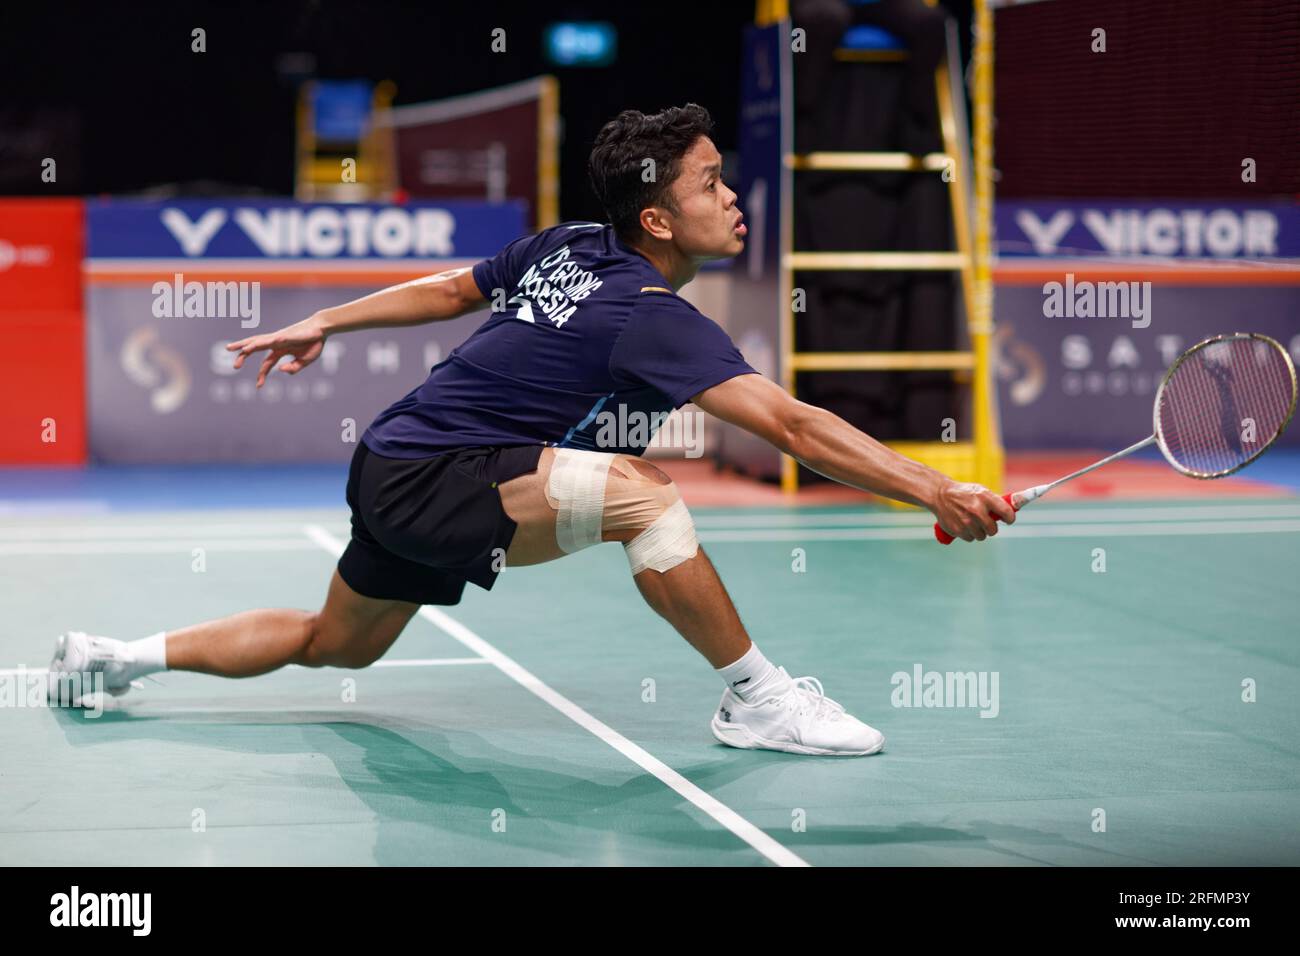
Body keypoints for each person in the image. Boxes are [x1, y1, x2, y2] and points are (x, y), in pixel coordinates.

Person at [49, 104, 1012, 757]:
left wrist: (328, 320)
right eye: (710, 182)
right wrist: (935, 488)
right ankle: (758, 699)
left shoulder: (567, 244)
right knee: (646, 495)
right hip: (436, 474)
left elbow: (446, 290)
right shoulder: (646, 310)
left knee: (333, 643)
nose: (732, 196)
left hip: (392, 460)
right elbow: (793, 425)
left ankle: (111, 656)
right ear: (657, 218)